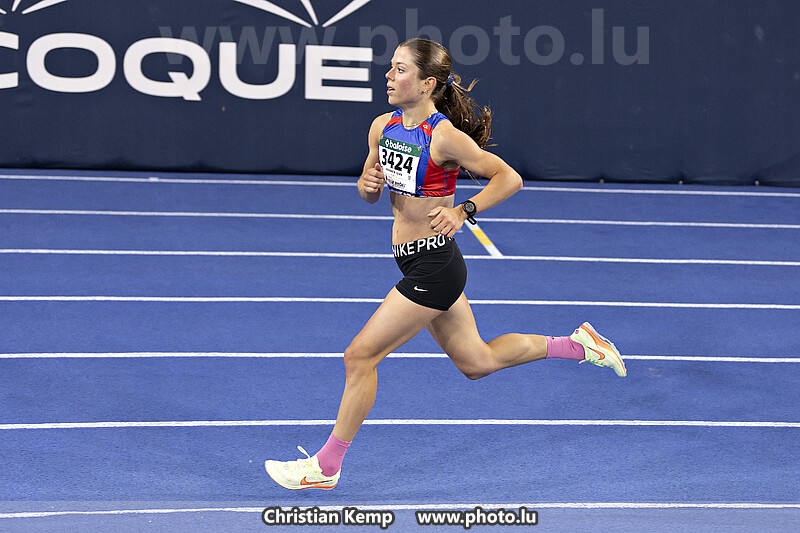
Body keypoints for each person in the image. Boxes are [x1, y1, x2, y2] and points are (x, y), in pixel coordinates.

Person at [265, 38, 626, 491]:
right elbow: (370, 191)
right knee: (477, 361)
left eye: (400, 70)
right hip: (414, 263)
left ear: (427, 83)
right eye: (391, 67)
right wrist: (367, 184)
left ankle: (325, 467)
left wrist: (463, 211)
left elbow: (509, 178)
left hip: (434, 266)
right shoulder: (382, 127)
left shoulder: (444, 136)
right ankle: (578, 345)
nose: (388, 76)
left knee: (360, 355)